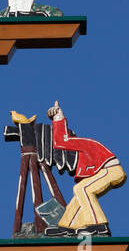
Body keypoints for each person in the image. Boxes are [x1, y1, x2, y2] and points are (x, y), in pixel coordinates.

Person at [43, 101, 124, 237]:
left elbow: (61, 142)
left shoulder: (82, 144)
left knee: (82, 189)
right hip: (105, 171)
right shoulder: (80, 160)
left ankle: (98, 225)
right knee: (80, 193)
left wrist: (58, 117)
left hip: (111, 170)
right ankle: (68, 226)